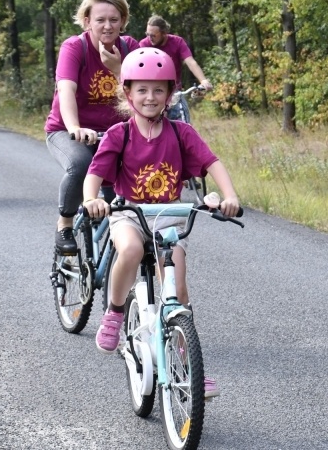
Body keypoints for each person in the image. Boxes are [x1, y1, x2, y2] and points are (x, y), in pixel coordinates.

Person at [82, 48, 240, 397]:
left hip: (169, 213)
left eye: (158, 90)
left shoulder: (181, 132)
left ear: (170, 94)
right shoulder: (118, 134)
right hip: (129, 212)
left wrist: (228, 195)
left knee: (178, 291)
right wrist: (92, 199)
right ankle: (115, 311)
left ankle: (187, 367)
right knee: (132, 249)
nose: (150, 97)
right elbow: (95, 174)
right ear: (128, 93)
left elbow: (212, 163)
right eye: (142, 89)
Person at [45, 0, 139, 254]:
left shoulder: (130, 47)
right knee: (81, 163)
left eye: (114, 19)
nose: (107, 26)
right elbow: (66, 90)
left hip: (115, 134)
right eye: (100, 20)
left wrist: (119, 68)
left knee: (121, 200)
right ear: (87, 21)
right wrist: (74, 127)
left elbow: (142, 94)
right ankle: (64, 222)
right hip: (68, 131)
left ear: (123, 21)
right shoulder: (75, 47)